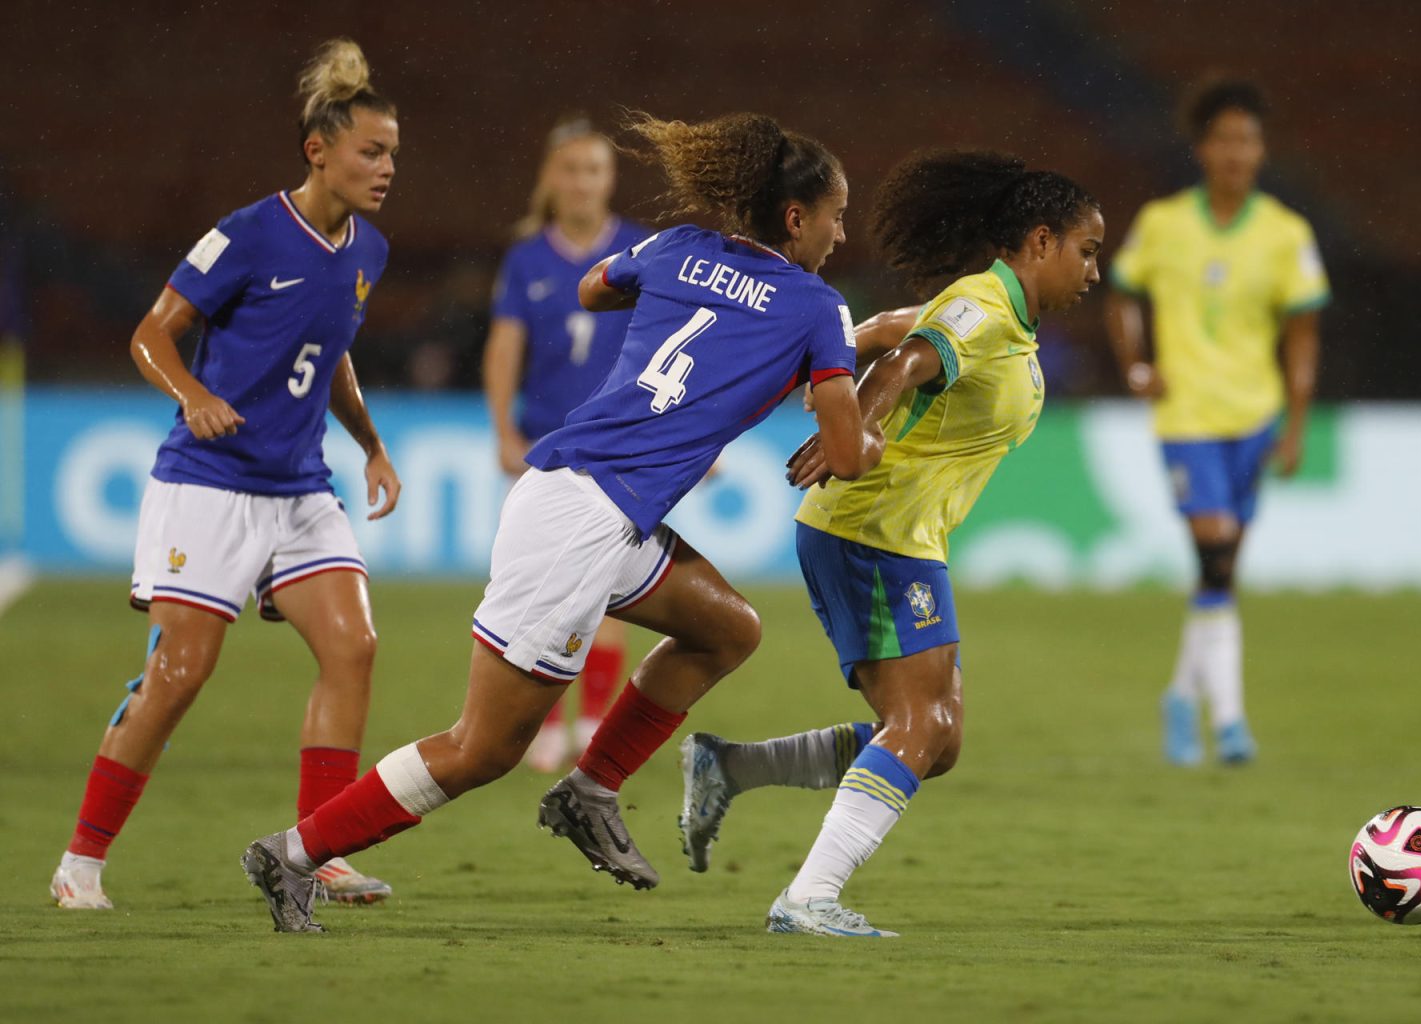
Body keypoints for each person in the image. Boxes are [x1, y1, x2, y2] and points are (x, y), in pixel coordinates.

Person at [240, 111, 882, 932]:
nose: (840, 231)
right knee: (482, 748)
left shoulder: (674, 245)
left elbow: (593, 289)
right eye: (836, 214)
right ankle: (291, 855)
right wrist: (880, 390)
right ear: (796, 219)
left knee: (727, 628)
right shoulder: (817, 307)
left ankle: (591, 788)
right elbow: (850, 454)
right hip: (581, 520)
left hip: (592, 500)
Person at [678, 151, 1105, 938]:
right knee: (922, 726)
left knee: (934, 740)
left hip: (902, 539)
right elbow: (905, 361)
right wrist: (857, 426)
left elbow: (879, 330)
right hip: (872, 534)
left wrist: (828, 371)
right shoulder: (983, 307)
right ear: (1041, 242)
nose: (1095, 270)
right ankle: (807, 898)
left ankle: (730, 766)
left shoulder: (996, 314)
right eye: (1087, 249)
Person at [48, 39, 403, 910]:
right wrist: (193, 393)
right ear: (319, 150)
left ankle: (314, 851)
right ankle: (79, 864)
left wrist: (371, 444)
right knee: (179, 675)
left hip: (299, 487)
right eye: (372, 150)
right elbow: (149, 334)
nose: (388, 167)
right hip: (208, 481)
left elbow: (334, 358)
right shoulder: (247, 234)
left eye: (394, 152)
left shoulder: (371, 250)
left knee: (353, 647)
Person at [1103, 77, 1329, 766]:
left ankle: (1180, 694)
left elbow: (1302, 336)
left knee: (1218, 573)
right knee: (1216, 553)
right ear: (1202, 148)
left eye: (1249, 139)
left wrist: (1294, 425)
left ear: (1262, 151)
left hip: (1254, 418)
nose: (1237, 152)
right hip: (1189, 416)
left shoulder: (1286, 234)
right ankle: (1229, 720)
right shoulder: (1163, 223)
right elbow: (1120, 296)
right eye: (1225, 138)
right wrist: (1137, 366)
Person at [482, 116, 652, 771]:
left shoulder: (639, 252)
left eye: (594, 171)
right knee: (545, 591)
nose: (581, 183)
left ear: (609, 181)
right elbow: (505, 346)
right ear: (551, 179)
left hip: (622, 444)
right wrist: (503, 430)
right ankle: (549, 720)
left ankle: (593, 721)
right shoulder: (527, 258)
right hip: (549, 448)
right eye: (571, 170)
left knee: (606, 590)